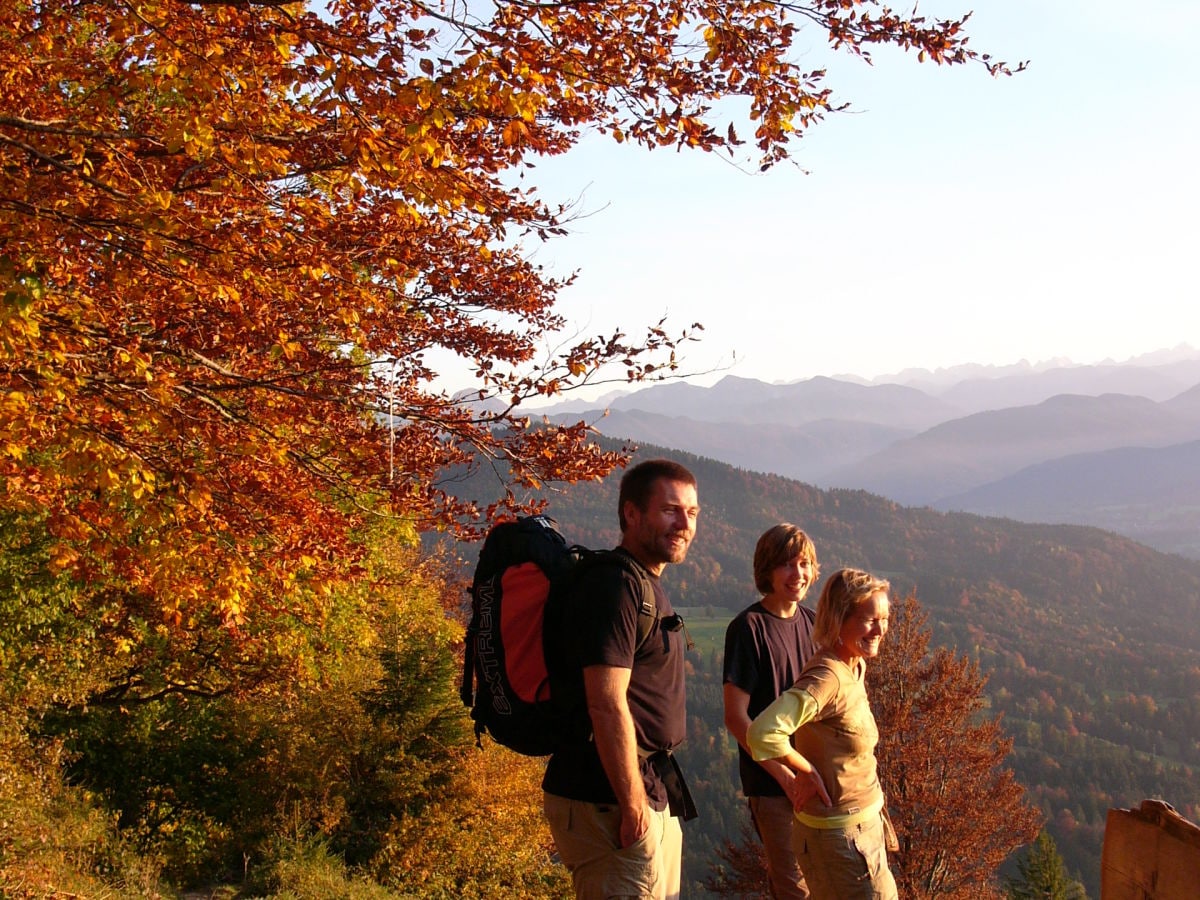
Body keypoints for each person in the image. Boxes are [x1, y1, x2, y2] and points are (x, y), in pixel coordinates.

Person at [542, 458, 700, 900]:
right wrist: (632, 805)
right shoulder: (615, 587)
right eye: (670, 509)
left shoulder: (644, 582)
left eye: (692, 513)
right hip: (607, 801)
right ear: (631, 514)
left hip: (645, 790)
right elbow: (606, 703)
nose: (683, 523)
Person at [746, 568, 899, 900]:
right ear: (839, 618)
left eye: (884, 618)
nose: (880, 629)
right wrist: (804, 770)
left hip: (860, 830)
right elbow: (762, 732)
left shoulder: (853, 664)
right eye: (870, 619)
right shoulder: (828, 676)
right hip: (843, 842)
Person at [722, 523, 820, 899]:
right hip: (774, 786)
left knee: (822, 883)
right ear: (767, 569)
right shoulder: (749, 628)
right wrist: (784, 776)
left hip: (814, 779)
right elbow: (736, 717)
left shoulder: (813, 623)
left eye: (805, 564)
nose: (798, 575)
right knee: (796, 889)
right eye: (787, 565)